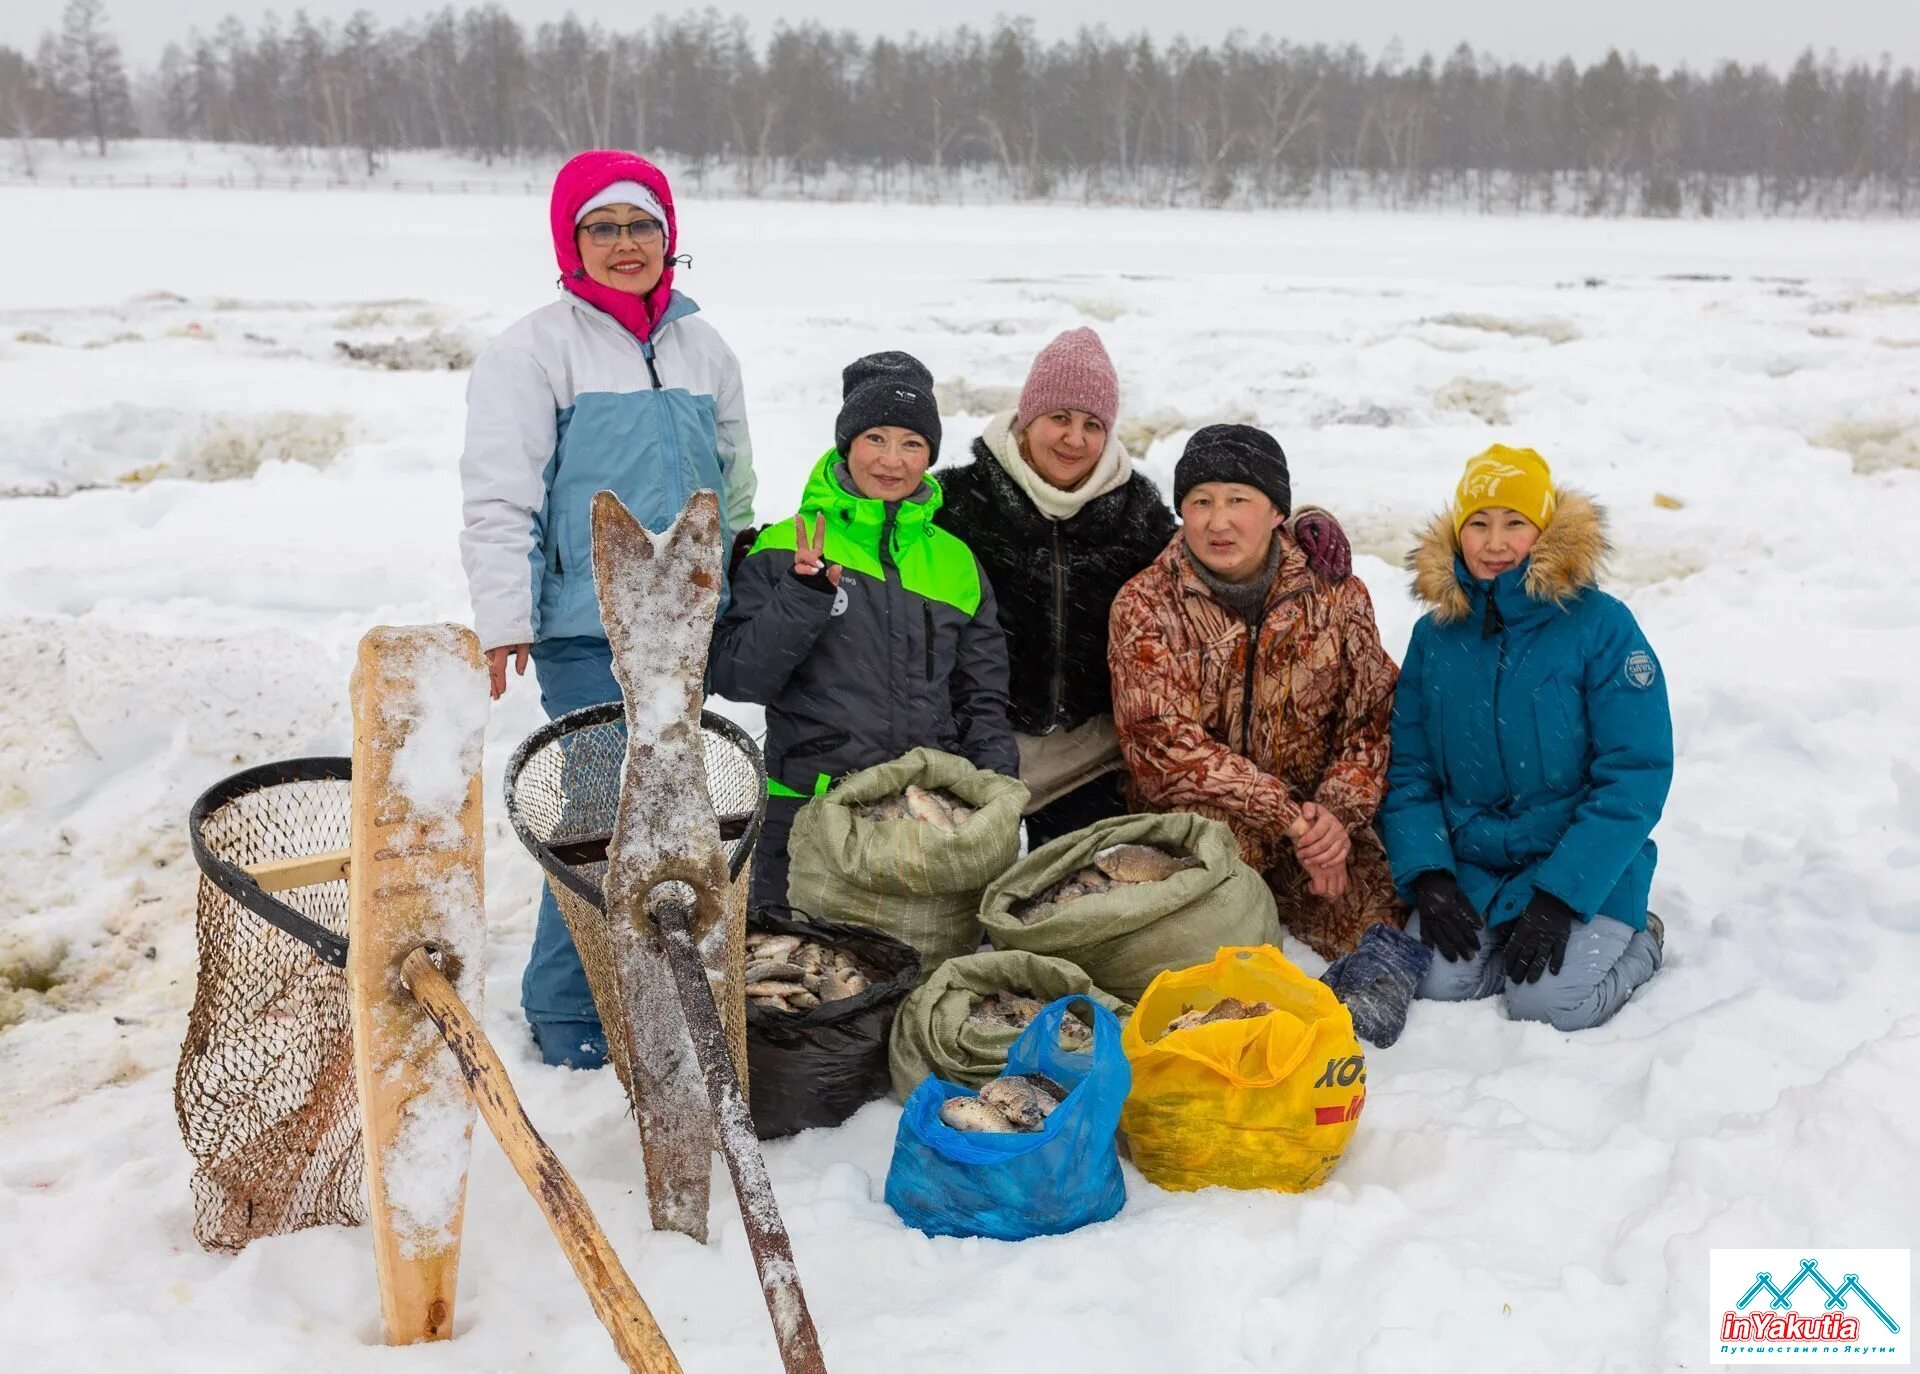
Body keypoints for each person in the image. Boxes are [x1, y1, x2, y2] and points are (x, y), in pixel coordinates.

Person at [458, 148, 755, 1069]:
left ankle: (640, 973)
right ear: (570, 241)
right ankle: (564, 1009)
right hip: (588, 626)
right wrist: (506, 617)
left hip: (687, 619)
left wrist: (746, 586)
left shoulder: (705, 348)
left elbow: (735, 483)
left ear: (670, 239)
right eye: (604, 228)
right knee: (600, 813)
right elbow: (500, 494)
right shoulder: (535, 349)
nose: (626, 245)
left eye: (642, 227)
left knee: (671, 808)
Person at [935, 328, 1354, 848]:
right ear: (1027, 419)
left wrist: (1299, 525)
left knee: (1075, 896)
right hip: (974, 744)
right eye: (1059, 418)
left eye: (1092, 424)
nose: (1074, 439)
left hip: (1086, 761)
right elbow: (881, 520)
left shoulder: (1134, 513)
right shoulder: (954, 502)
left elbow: (1211, 542)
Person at [710, 351, 1019, 909]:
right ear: (846, 443)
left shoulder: (956, 562)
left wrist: (994, 795)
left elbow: (982, 698)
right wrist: (803, 595)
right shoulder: (787, 543)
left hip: (922, 816)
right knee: (797, 980)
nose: (892, 460)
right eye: (875, 437)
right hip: (807, 812)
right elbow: (737, 677)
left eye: (912, 443)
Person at [1381, 444, 1672, 1031]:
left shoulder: (1601, 626)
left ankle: (1642, 940)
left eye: (1515, 523)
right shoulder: (1435, 637)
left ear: (1544, 531)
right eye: (1479, 524)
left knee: (1550, 1005)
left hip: (1585, 866)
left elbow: (1634, 773)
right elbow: (1409, 770)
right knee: (1437, 984)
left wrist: (1562, 895)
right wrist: (1431, 875)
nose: (1495, 543)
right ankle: (1509, 950)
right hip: (1476, 866)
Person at [1108, 424, 1407, 962]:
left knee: (1378, 922)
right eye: (1201, 501)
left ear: (1277, 513)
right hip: (1204, 824)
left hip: (1316, 817)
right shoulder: (1145, 605)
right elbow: (1161, 747)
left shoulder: (1335, 595)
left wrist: (1333, 819)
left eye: (1238, 500)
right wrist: (1287, 816)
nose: (1217, 521)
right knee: (1197, 938)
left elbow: (1372, 719)